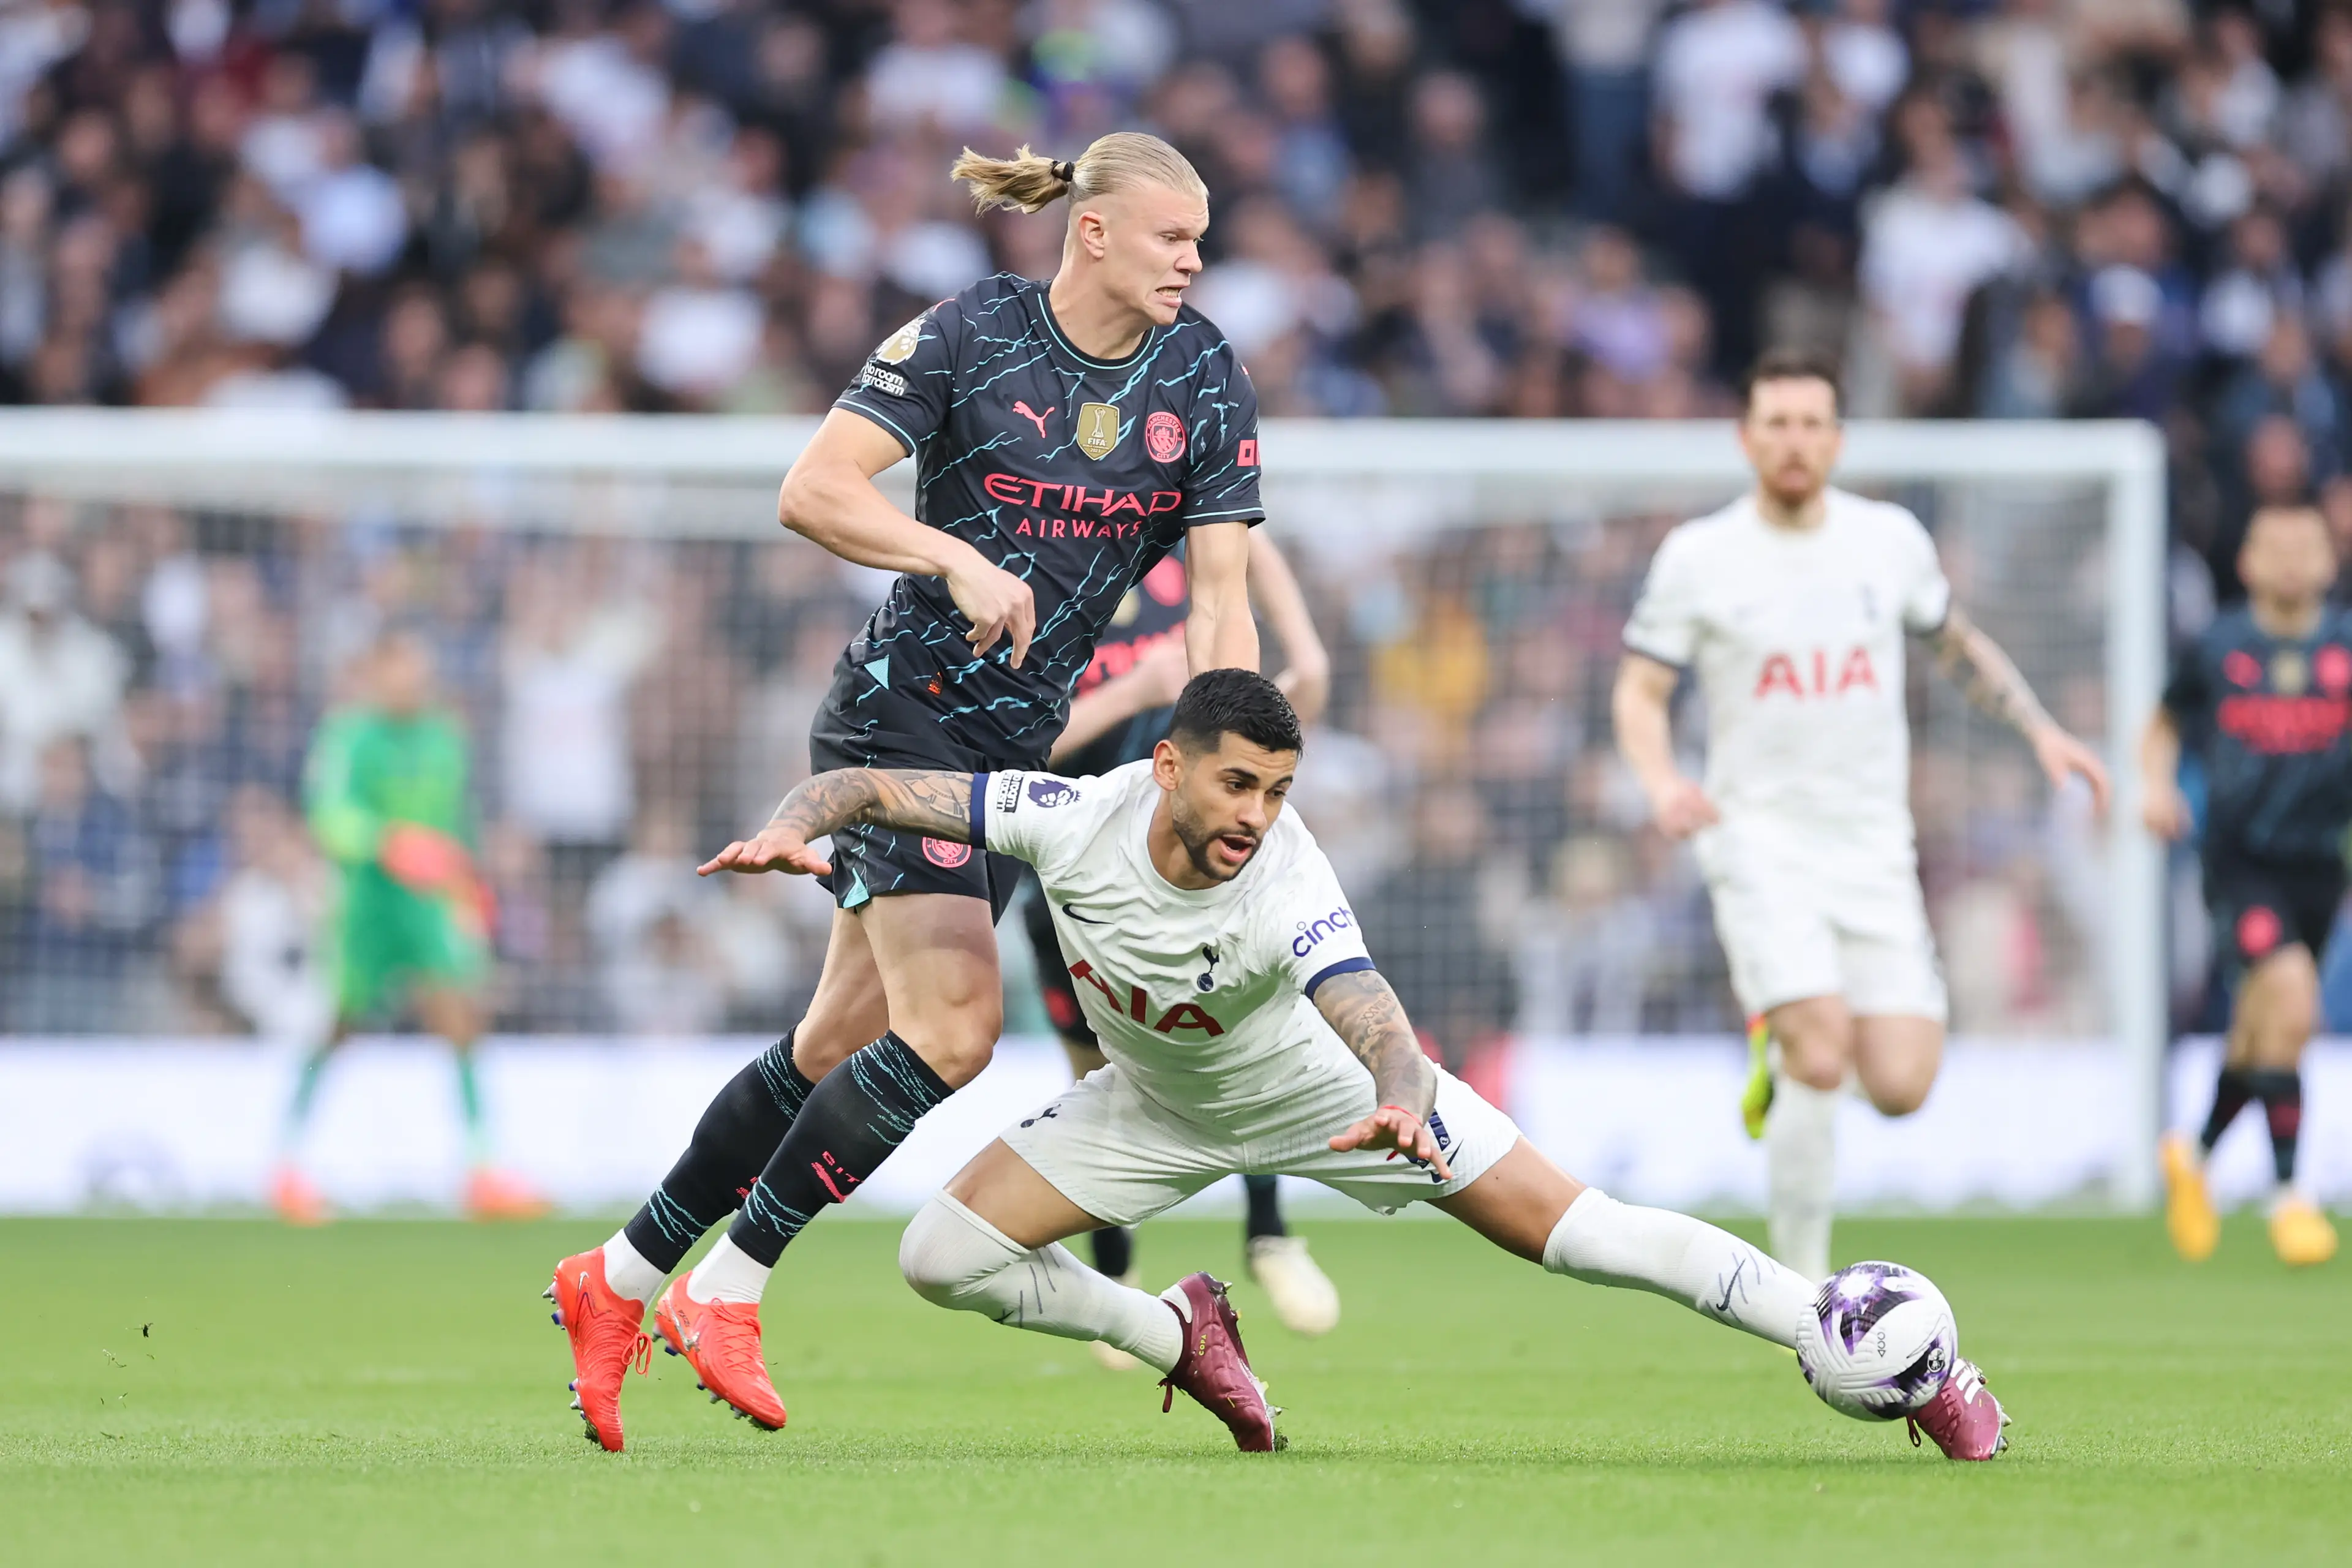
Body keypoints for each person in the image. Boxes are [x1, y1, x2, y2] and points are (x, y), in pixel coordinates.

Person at [696, 671, 2011, 1460]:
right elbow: (871, 785)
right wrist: (785, 822)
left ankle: (1876, 1345)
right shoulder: (1065, 816)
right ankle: (1179, 1331)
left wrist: (1402, 1098)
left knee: (1588, 1236)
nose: (1254, 816)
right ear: (1166, 768)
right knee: (938, 1257)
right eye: (1235, 786)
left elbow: (1373, 1010)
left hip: (1334, 1102)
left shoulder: (1288, 876)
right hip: (1152, 1107)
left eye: (1275, 788)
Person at [546, 132, 1264, 1452]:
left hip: (1015, 763)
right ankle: (730, 1283)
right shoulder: (970, 333)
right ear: (1092, 230)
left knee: (834, 1047)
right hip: (900, 722)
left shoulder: (1204, 374)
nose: (1195, 260)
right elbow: (810, 489)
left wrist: (1238, 775)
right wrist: (952, 560)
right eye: (1174, 236)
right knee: (954, 1032)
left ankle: (620, 1276)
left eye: (1201, 239)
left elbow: (1221, 601)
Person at [1611, 349, 2109, 1285]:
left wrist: (2041, 731)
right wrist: (1661, 781)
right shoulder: (1700, 555)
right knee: (1823, 1049)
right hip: (1753, 834)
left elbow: (1956, 646)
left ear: (1837, 440)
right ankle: (1802, 1293)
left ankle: (1778, 1042)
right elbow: (1639, 691)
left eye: (1811, 425)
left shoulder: (1889, 541)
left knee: (1901, 1082)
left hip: (1875, 844)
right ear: (1746, 437)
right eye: (1777, 424)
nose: (1794, 442)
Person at [1025, 532, 1339, 1357]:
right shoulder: (1044, 593)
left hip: (1192, 877)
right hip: (1077, 878)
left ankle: (1271, 1234)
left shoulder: (1185, 559)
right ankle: (1115, 1273)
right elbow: (1021, 764)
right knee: (1093, 1075)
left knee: (1232, 1038)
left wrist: (1308, 653)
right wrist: (1133, 693)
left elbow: (1254, 548)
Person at [276, 631, 546, 1224]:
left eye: (417, 667)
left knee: (461, 1023)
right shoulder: (348, 735)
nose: (409, 679)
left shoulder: (446, 737)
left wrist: (471, 889)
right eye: (397, 667)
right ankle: (288, 1165)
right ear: (375, 672)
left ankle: (482, 1170)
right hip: (366, 907)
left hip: (428, 907)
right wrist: (388, 844)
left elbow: (458, 821)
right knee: (338, 1026)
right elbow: (327, 815)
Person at [2145, 503, 2345, 1268]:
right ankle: (2292, 1197)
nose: (2293, 561)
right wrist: (2157, 786)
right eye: (2277, 546)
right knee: (2293, 1003)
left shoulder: (2346, 645)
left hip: (2321, 862)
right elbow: (2161, 724)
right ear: (2250, 560)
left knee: (2263, 1031)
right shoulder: (2218, 644)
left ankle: (2192, 1155)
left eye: (2308, 547)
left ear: (2330, 561)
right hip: (2240, 858)